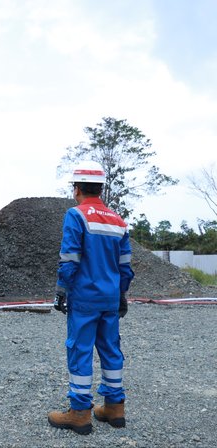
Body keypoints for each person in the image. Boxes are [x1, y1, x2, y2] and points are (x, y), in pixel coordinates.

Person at [48, 160, 134, 435]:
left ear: (77, 189)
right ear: (101, 189)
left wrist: (62, 289)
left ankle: (80, 412)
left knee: (80, 350)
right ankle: (114, 408)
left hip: (85, 299)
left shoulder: (76, 215)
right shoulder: (118, 221)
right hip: (110, 298)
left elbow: (70, 257)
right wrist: (121, 294)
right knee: (111, 350)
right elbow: (125, 267)